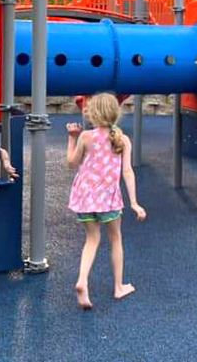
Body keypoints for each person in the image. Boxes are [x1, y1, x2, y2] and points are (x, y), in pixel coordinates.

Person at [66, 92, 146, 310]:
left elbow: (71, 163)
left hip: (84, 198)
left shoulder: (86, 137)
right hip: (108, 200)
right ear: (116, 113)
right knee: (115, 240)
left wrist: (72, 137)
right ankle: (118, 286)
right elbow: (127, 172)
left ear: (92, 113)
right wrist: (134, 203)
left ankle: (83, 280)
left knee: (91, 240)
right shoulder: (122, 139)